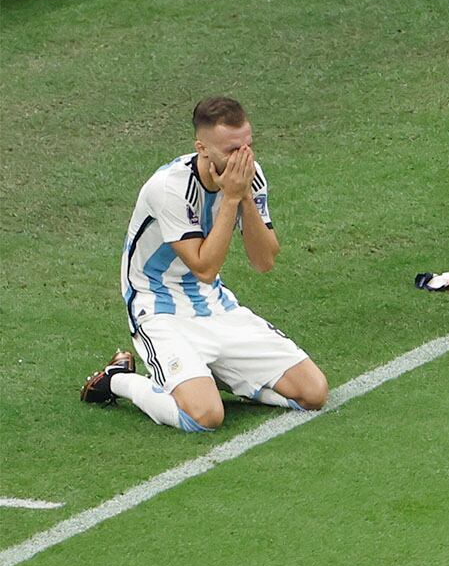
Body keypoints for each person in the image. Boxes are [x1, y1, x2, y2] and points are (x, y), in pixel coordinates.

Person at [80, 97, 328, 431]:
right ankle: (118, 381)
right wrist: (230, 198)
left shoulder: (247, 176)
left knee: (313, 393)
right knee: (206, 417)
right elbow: (204, 267)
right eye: (232, 150)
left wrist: (243, 197)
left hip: (214, 304)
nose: (243, 159)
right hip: (159, 308)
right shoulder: (169, 188)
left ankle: (210, 376)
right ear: (202, 148)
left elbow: (264, 260)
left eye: (248, 147)